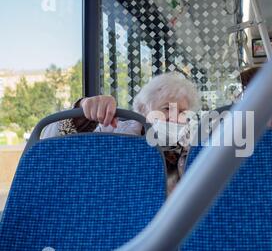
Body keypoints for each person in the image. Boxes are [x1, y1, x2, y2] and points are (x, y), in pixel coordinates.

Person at [42, 72, 200, 194]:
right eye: (167, 108)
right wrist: (82, 113)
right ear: (143, 109)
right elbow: (52, 152)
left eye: (182, 112)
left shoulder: (197, 152)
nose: (175, 118)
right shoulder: (113, 134)